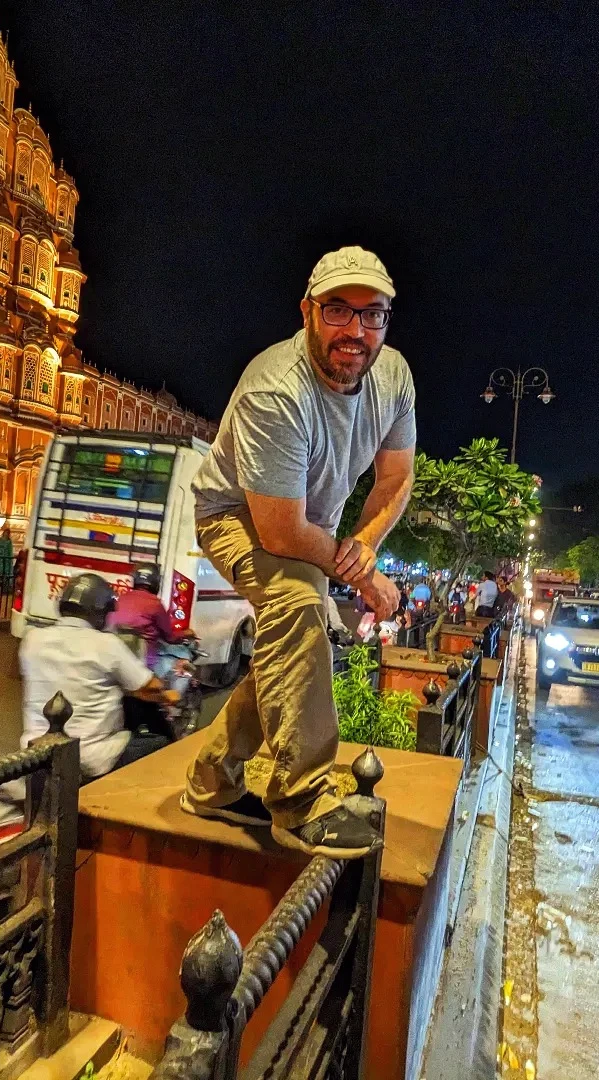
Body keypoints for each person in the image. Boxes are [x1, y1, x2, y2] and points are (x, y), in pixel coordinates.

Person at [182, 246, 414, 859]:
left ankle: (211, 781)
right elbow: (281, 532)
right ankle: (301, 797)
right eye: (339, 311)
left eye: (373, 315)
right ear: (308, 312)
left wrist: (363, 548)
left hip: (309, 523)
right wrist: (365, 580)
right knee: (295, 601)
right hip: (237, 515)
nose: (356, 332)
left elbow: (395, 479)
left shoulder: (393, 377)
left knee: (291, 641)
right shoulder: (275, 391)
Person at [20, 574, 180, 782]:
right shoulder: (107, 644)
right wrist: (168, 695)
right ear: (100, 612)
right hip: (91, 757)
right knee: (159, 743)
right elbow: (149, 686)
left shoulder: (31, 640)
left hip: (33, 752)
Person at [108, 565, 190, 669]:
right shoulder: (155, 604)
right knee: (180, 659)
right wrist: (186, 633)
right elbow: (170, 638)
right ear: (156, 583)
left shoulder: (121, 598)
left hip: (116, 656)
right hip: (142, 661)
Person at [0, 527, 15, 593]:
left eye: (8, 533)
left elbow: (10, 550)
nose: (6, 534)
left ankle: (4, 588)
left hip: (6, 558)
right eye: (6, 533)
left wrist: (11, 558)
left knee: (5, 573)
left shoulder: (9, 541)